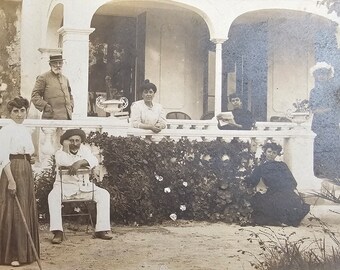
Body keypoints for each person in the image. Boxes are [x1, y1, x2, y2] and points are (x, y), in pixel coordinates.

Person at [48, 129, 112, 244]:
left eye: (77, 140)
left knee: (104, 194)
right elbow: (63, 161)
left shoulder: (85, 150)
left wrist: (80, 162)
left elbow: (94, 160)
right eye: (71, 140)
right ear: (66, 142)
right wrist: (67, 150)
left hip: (83, 187)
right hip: (64, 187)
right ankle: (58, 232)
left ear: (81, 141)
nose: (75, 143)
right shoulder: (60, 152)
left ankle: (101, 230)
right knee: (52, 196)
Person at [0, 96, 40, 267]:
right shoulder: (5, 130)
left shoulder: (25, 129)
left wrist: (30, 160)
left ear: (26, 111)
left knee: (26, 207)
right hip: (12, 171)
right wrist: (11, 180)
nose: (19, 114)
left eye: (22, 110)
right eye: (15, 111)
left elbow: (28, 153)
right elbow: (2, 157)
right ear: (10, 113)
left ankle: (27, 253)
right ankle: (12, 255)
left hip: (26, 172)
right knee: (13, 213)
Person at [245, 142, 310, 226]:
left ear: (277, 154)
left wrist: (292, 189)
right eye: (269, 151)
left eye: (274, 152)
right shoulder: (260, 168)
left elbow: (292, 180)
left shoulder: (282, 165)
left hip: (287, 192)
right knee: (259, 201)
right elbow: (252, 181)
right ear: (265, 152)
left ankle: (283, 220)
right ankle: (279, 220)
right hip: (273, 192)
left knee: (289, 203)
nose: (271, 154)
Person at [309, 62, 340, 179]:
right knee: (318, 147)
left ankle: (334, 173)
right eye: (319, 74)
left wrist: (328, 110)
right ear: (316, 76)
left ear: (328, 76)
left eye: (324, 74)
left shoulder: (334, 91)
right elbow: (313, 108)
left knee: (333, 147)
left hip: (331, 124)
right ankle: (319, 172)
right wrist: (325, 110)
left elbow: (336, 106)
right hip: (318, 123)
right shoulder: (313, 91)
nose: (321, 77)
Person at [31, 54, 74, 120]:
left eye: (60, 63)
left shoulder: (65, 79)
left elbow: (70, 95)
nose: (58, 65)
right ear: (50, 64)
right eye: (55, 63)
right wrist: (45, 106)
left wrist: (71, 106)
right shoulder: (43, 77)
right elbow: (34, 96)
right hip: (50, 118)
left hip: (66, 118)